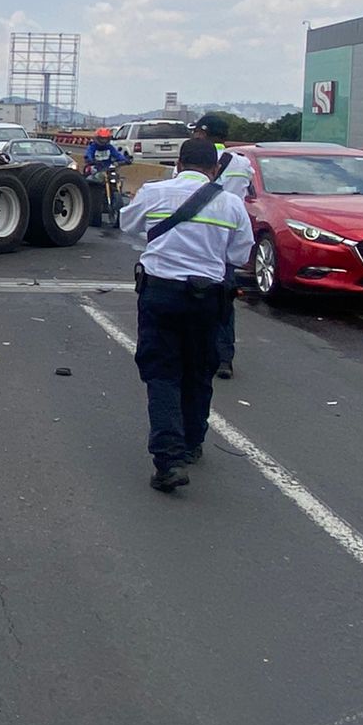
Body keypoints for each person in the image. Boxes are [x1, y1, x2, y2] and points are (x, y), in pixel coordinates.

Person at [119, 137, 253, 493]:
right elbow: (239, 256)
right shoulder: (231, 205)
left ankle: (168, 460)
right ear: (214, 170)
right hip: (207, 298)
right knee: (198, 369)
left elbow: (127, 225)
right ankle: (193, 443)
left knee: (162, 373)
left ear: (178, 164)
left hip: (160, 292)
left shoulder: (154, 192)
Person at [188, 114, 255, 380]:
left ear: (203, 133)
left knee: (189, 297)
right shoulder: (243, 163)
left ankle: (194, 353)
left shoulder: (195, 159)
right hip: (226, 238)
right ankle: (224, 359)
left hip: (198, 238)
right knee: (224, 303)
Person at [84, 127, 131, 222]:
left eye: (105, 138)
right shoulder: (92, 147)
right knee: (91, 181)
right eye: (101, 138)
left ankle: (115, 198)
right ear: (97, 138)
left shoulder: (110, 148)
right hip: (96, 170)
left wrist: (126, 160)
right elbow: (88, 155)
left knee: (117, 179)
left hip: (108, 170)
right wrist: (91, 160)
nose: (103, 140)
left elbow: (118, 155)